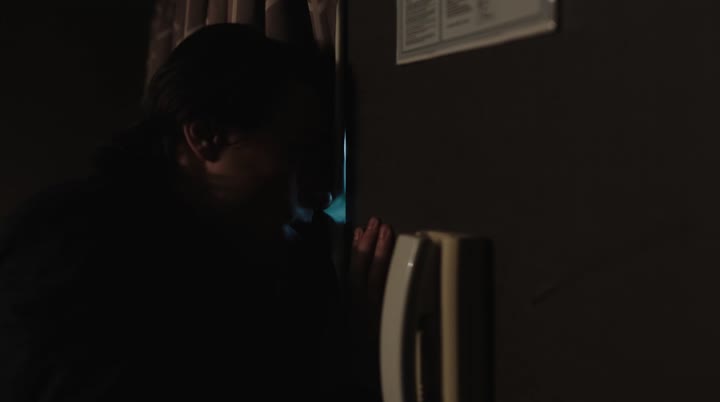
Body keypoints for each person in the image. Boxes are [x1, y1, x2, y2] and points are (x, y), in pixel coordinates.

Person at [0, 24, 395, 401]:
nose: (319, 193)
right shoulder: (82, 251)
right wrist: (354, 366)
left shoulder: (215, 247)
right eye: (295, 153)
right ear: (205, 136)